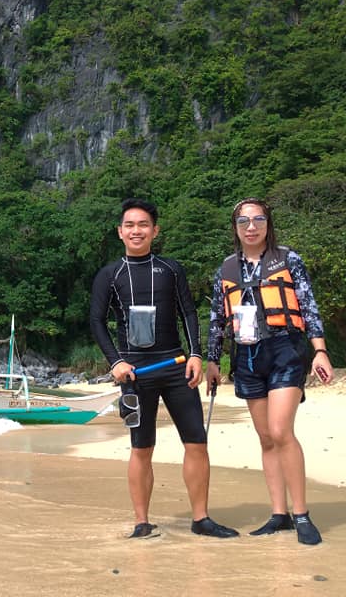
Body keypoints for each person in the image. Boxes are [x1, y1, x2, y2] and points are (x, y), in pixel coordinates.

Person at [90, 198, 238, 539]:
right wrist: (116, 362)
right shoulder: (110, 275)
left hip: (176, 367)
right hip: (135, 373)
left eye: (143, 224)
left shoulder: (171, 269)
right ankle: (142, 522)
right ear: (120, 232)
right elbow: (96, 321)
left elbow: (188, 312)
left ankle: (201, 519)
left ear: (155, 230)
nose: (136, 230)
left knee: (196, 441)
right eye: (130, 225)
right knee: (141, 447)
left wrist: (196, 354)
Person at [207, 198, 334, 546]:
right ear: (235, 227)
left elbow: (308, 306)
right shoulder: (226, 269)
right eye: (243, 221)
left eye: (258, 219)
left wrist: (320, 351)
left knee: (280, 431)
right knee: (265, 437)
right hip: (247, 355)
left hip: (285, 348)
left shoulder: (288, 259)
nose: (251, 227)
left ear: (267, 224)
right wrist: (212, 361)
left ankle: (301, 514)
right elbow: (218, 319)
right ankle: (279, 514)